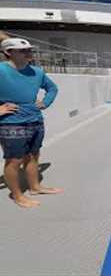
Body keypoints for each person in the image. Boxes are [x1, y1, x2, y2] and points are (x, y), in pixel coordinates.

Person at [0, 34, 62, 208]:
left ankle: (35, 187)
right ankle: (18, 196)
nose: (29, 53)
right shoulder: (1, 70)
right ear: (9, 52)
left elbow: (52, 88)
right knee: (14, 160)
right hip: (11, 122)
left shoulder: (37, 72)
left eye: (29, 50)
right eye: (23, 51)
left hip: (35, 120)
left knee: (34, 156)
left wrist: (45, 103)